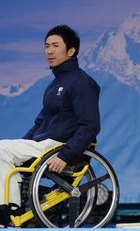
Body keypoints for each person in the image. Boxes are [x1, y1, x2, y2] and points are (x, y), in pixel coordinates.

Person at [0, 25, 100, 225]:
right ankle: (9, 205)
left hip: (58, 146)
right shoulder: (54, 85)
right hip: (43, 144)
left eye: (55, 45)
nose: (49, 51)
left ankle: (10, 209)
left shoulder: (82, 82)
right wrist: (21, 144)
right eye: (46, 46)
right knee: (5, 149)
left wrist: (66, 155)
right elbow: (40, 122)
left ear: (70, 51)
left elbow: (90, 125)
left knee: (1, 149)